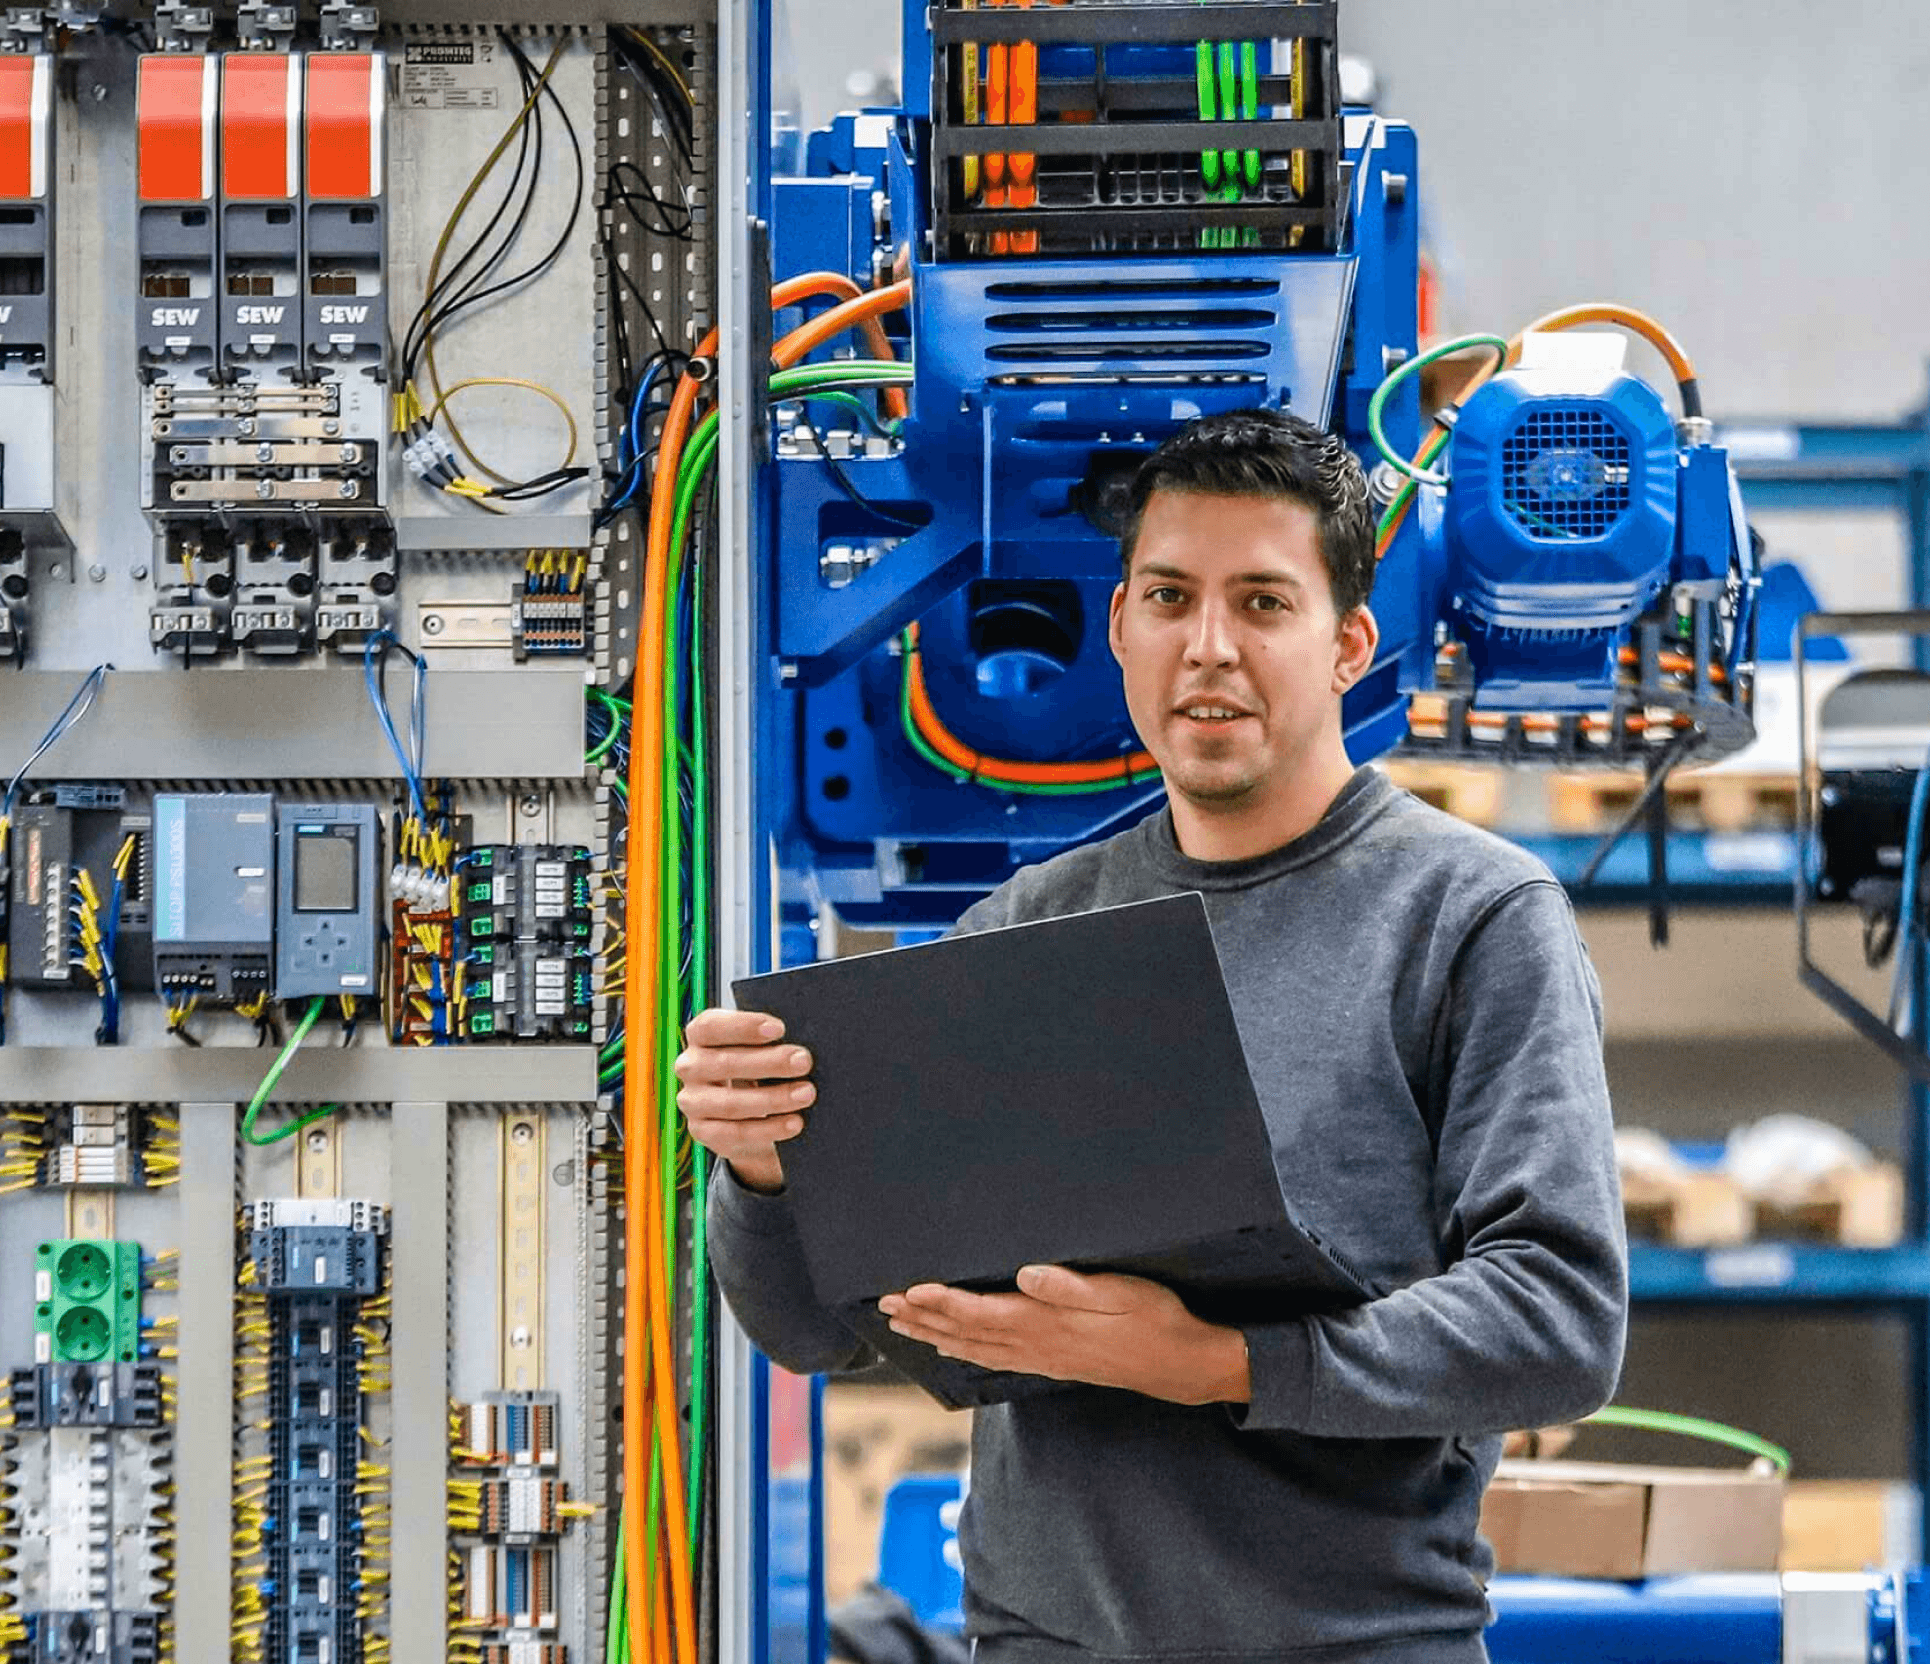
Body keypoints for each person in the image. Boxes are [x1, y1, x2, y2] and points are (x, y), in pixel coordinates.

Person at [678, 406, 1626, 1664]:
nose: (1209, 647)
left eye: (1263, 603)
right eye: (1169, 597)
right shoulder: (1023, 926)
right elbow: (818, 1327)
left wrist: (1221, 1361)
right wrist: (759, 1165)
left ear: (1348, 642)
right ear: (1121, 626)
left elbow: (1556, 1317)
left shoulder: (1471, 915)